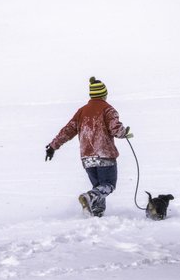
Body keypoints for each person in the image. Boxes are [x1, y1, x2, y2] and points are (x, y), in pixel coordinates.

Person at [46, 76, 131, 215]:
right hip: (104, 154)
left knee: (98, 187)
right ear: (104, 94)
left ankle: (97, 213)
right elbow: (115, 128)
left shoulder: (81, 111)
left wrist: (53, 146)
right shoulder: (108, 110)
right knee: (108, 185)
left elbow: (68, 130)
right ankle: (89, 197)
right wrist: (124, 132)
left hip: (87, 158)